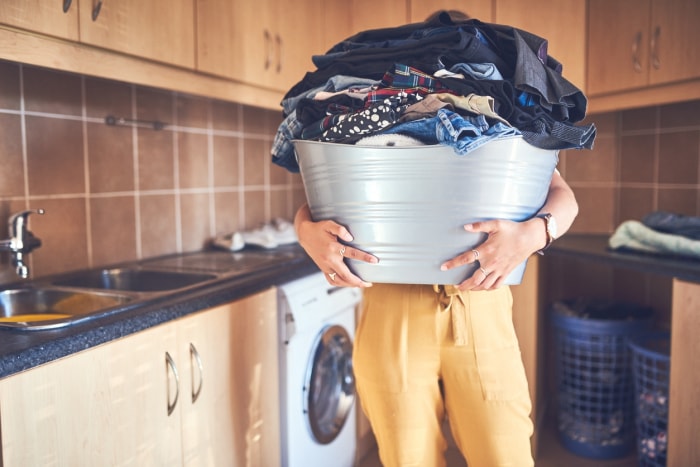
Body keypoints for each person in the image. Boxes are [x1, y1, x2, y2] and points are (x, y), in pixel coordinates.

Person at [291, 11, 581, 467]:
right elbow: (329, 189)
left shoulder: (504, 123)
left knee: (505, 455)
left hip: (480, 305)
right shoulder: (366, 118)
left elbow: (563, 196)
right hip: (391, 307)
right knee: (408, 459)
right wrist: (304, 230)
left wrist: (533, 234)